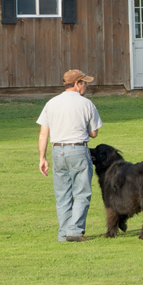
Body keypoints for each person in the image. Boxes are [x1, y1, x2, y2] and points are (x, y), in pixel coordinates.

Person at [36, 69, 103, 242]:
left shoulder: (51, 103)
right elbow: (94, 133)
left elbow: (43, 134)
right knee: (82, 193)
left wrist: (42, 158)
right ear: (76, 83)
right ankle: (74, 231)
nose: (87, 86)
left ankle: (63, 233)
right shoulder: (86, 103)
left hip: (57, 150)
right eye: (84, 82)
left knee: (62, 194)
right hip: (78, 150)